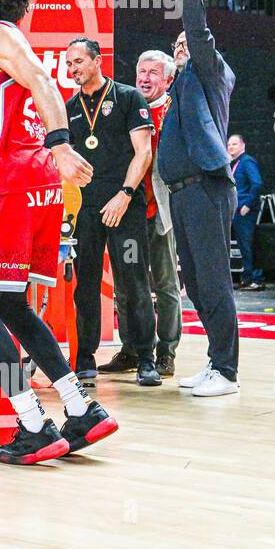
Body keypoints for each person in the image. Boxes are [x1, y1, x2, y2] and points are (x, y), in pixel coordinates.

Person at [0, 0, 116, 465]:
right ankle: (80, 408)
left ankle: (33, 423)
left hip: (6, 187)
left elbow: (42, 80)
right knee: (12, 305)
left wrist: (62, 143)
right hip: (32, 188)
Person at [160, 0, 241, 396]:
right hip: (182, 194)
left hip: (207, 188)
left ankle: (227, 371)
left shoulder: (211, 75)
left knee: (213, 278)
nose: (181, 47)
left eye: (185, 44)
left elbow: (199, 33)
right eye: (176, 46)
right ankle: (215, 361)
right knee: (193, 280)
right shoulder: (180, 88)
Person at [63, 38, 158, 386]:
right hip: (86, 209)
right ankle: (85, 357)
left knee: (133, 281)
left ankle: (146, 357)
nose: (73, 69)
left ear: (97, 61)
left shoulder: (128, 97)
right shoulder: (70, 106)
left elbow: (143, 152)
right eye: (69, 64)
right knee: (84, 284)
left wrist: (125, 194)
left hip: (124, 205)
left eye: (78, 62)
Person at [101, 50, 182, 377]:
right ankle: (132, 349)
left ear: (168, 79)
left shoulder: (175, 111)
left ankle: (166, 351)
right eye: (141, 70)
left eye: (153, 72)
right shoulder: (124, 105)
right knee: (125, 285)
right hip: (127, 210)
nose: (145, 77)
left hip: (160, 211)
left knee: (164, 285)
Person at [228, 134, 264, 291]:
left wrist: (247, 205)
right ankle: (247, 277)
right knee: (243, 246)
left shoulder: (247, 161)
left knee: (248, 244)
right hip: (235, 210)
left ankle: (255, 278)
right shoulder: (233, 164)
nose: (231, 147)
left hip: (244, 211)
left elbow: (256, 183)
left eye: (234, 144)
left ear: (243, 145)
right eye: (229, 144)